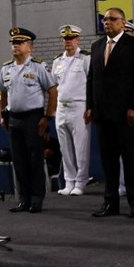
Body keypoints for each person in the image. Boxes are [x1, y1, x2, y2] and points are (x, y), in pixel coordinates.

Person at [86, 7, 134, 218]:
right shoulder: (96, 47)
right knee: (108, 160)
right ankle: (110, 202)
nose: (107, 23)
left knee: (131, 159)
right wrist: (89, 106)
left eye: (112, 19)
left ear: (123, 23)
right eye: (105, 20)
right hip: (103, 115)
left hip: (127, 115)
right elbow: (91, 80)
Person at [0, 28, 57, 213]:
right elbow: (3, 93)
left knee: (35, 160)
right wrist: (2, 115)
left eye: (20, 42)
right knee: (19, 160)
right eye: (13, 43)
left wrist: (47, 117)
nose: (15, 45)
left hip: (34, 118)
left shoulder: (39, 66)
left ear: (29, 46)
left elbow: (53, 91)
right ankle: (24, 199)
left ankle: (37, 198)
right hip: (14, 119)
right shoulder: (6, 68)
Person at [51, 24, 91, 195]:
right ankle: (69, 181)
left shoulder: (85, 59)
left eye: (71, 38)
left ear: (77, 39)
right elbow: (54, 84)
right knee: (64, 147)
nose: (68, 41)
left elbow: (92, 84)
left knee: (81, 146)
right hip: (62, 106)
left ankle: (81, 182)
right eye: (65, 39)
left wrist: (91, 106)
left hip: (79, 106)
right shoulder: (57, 61)